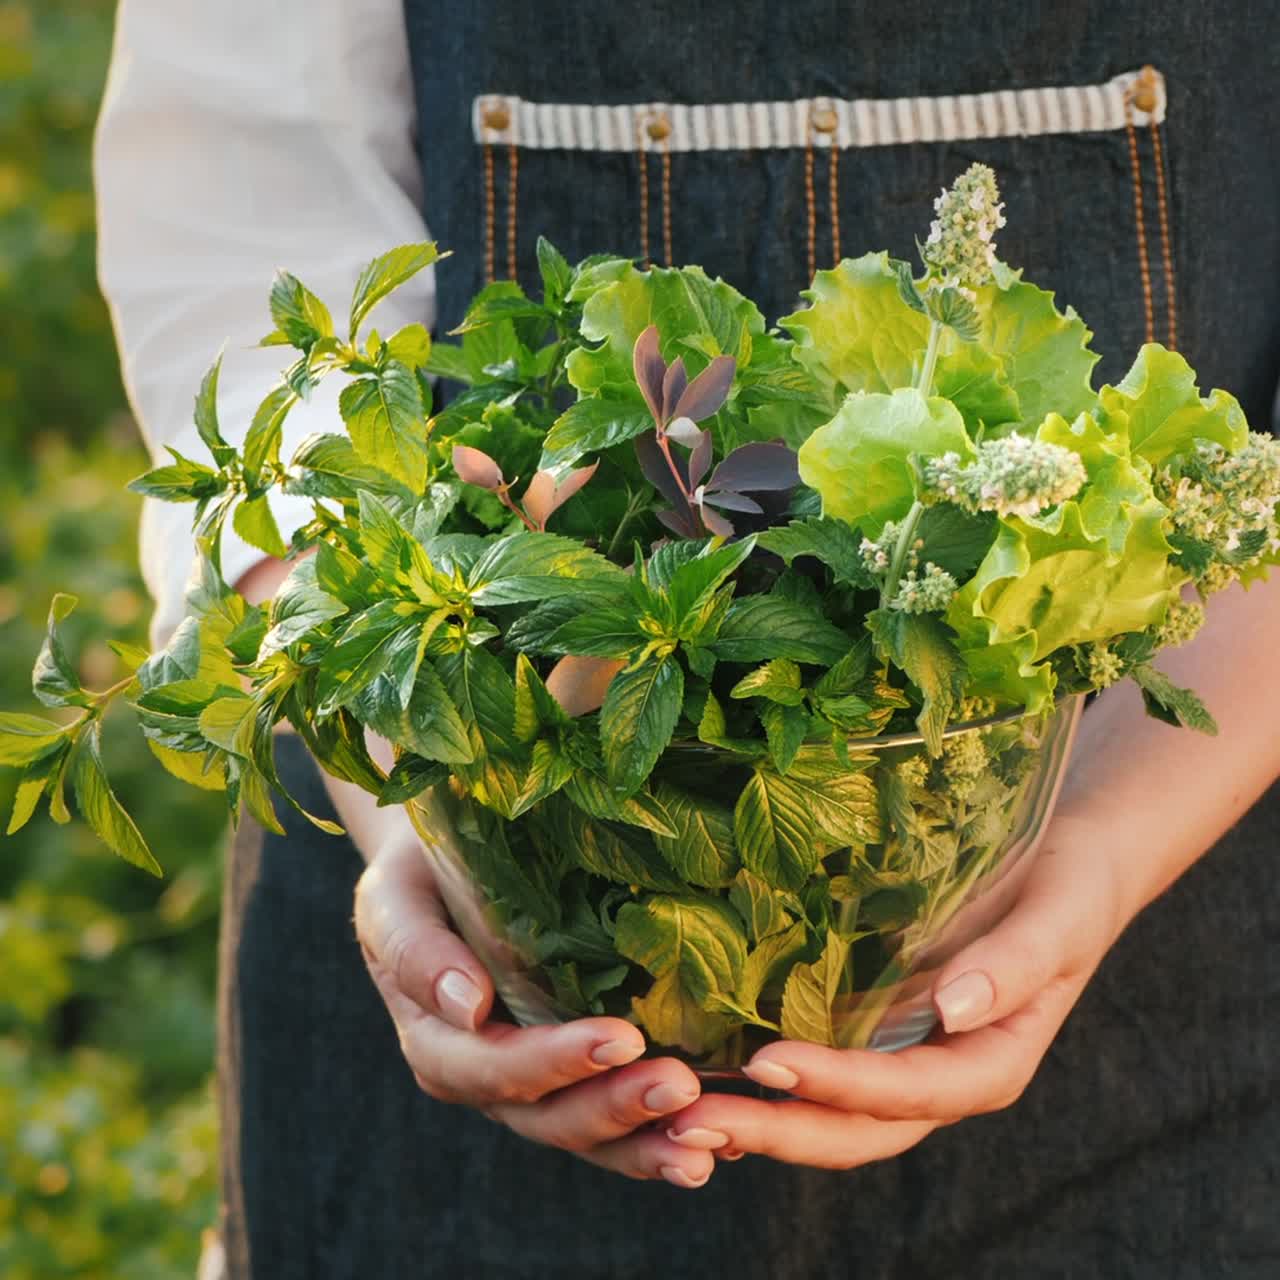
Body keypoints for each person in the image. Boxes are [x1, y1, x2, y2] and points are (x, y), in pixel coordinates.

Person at [96, 1, 1280, 1276]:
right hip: (466, 902)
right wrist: (433, 809)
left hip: (1169, 966)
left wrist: (1097, 839)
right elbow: (238, 212)